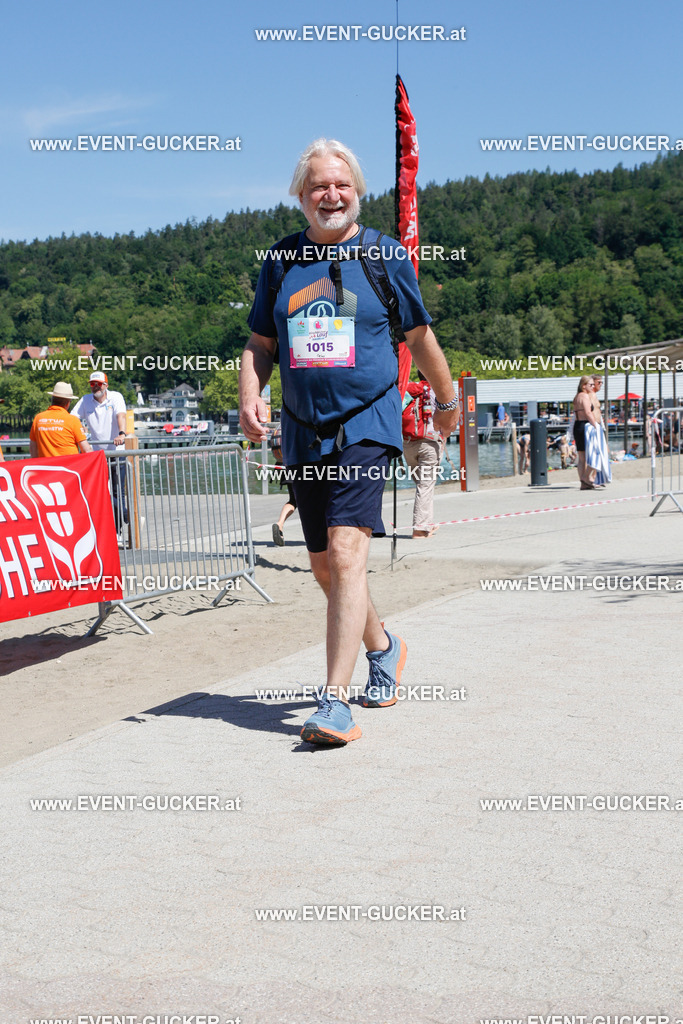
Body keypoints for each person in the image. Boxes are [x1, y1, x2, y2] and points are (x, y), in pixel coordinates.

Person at [239, 137, 459, 746]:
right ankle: (384, 647)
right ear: (300, 195)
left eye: (341, 184)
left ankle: (334, 703)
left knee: (344, 553)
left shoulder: (384, 255)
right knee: (324, 568)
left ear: (357, 191)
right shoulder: (281, 260)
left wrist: (446, 404)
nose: (330, 195)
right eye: (318, 186)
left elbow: (419, 336)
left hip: (368, 422)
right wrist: (250, 394)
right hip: (302, 430)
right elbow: (260, 343)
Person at [72, 372, 128, 530]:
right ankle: (126, 518)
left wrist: (122, 434)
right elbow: (73, 417)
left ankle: (119, 527)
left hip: (117, 453)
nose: (95, 387)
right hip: (97, 455)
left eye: (99, 384)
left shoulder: (115, 397)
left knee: (117, 493)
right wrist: (80, 427)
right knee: (99, 492)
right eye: (92, 384)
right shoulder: (85, 400)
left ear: (106, 385)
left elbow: (121, 416)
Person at [402, 372, 444, 538]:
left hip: (408, 444)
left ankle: (427, 523)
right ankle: (420, 529)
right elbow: (447, 418)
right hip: (429, 443)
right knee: (425, 486)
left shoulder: (409, 389)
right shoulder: (438, 391)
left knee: (422, 486)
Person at [29, 382, 93, 458]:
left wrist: (37, 463)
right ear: (68, 403)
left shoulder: (38, 418)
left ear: (52, 399)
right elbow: (86, 450)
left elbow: (33, 448)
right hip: (69, 465)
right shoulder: (73, 420)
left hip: (45, 465)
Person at [270, 429, 298, 546]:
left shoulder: (285, 425)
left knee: (293, 500)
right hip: (301, 464)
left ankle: (280, 524)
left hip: (284, 465)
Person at [572, 376, 599, 489]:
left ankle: (584, 483)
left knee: (582, 457)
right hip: (585, 426)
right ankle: (585, 478)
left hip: (578, 426)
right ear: (584, 386)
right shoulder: (585, 396)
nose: (593, 386)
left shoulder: (577, 397)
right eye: (591, 384)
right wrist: (596, 426)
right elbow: (588, 413)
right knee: (595, 453)